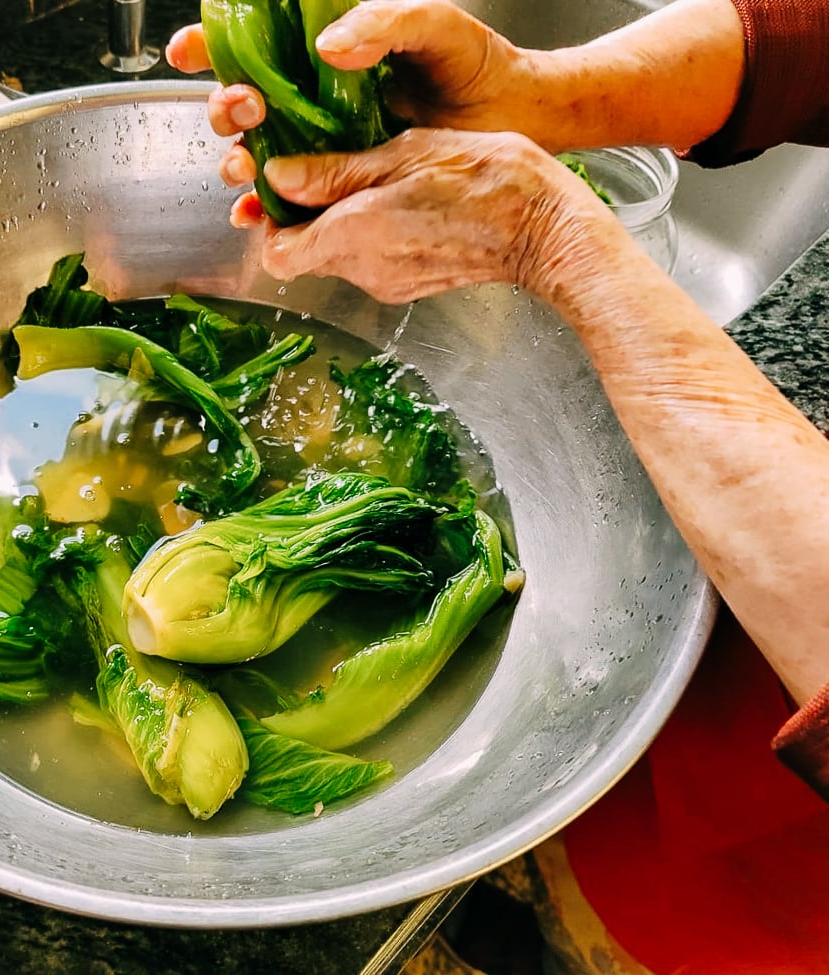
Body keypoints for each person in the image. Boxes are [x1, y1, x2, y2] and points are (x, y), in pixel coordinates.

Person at [167, 1, 829, 972]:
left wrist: (552, 240)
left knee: (646, 927)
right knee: (580, 839)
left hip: (777, 843)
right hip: (720, 582)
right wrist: (540, 95)